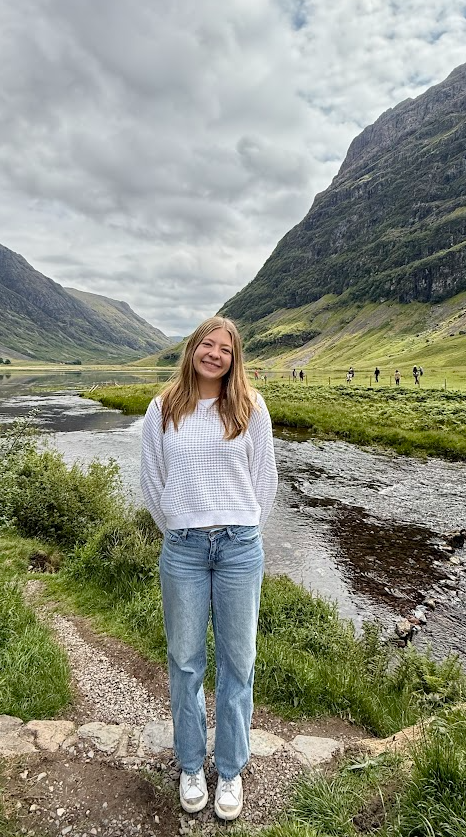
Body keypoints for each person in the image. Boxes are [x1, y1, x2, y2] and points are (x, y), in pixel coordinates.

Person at [140, 316, 277, 822]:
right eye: (207, 344)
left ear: (234, 358)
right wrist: (180, 525)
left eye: (225, 348)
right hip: (183, 550)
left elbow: (265, 480)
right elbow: (151, 480)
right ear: (193, 348)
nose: (215, 354)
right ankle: (192, 765)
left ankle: (231, 768)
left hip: (240, 547)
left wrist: (243, 526)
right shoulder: (163, 408)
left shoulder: (250, 407)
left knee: (239, 662)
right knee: (184, 661)